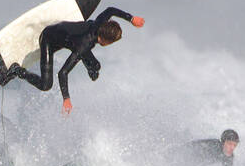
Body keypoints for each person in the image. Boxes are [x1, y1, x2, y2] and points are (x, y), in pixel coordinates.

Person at [8, 8, 144, 113]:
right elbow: (63, 73)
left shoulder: (100, 23)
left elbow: (110, 10)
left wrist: (131, 19)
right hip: (49, 38)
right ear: (106, 40)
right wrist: (66, 98)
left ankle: (92, 69)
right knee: (45, 85)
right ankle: (17, 71)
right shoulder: (84, 45)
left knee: (96, 66)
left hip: (69, 37)